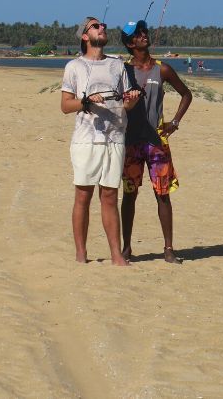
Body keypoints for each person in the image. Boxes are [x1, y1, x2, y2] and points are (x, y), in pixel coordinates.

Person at [60, 16, 140, 265]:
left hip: (115, 138)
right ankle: (81, 253)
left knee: (109, 196)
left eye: (102, 26)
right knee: (83, 196)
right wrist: (86, 101)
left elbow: (125, 104)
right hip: (86, 140)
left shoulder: (117, 65)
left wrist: (133, 100)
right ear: (85, 36)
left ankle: (116, 255)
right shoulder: (74, 66)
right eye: (96, 26)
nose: (102, 28)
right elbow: (65, 105)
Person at [118, 19, 192, 264]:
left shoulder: (162, 69)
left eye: (144, 32)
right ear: (130, 43)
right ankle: (126, 248)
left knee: (163, 194)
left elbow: (186, 94)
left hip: (157, 142)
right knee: (129, 194)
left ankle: (169, 249)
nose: (143, 36)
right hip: (131, 141)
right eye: (137, 34)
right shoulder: (123, 71)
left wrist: (175, 122)